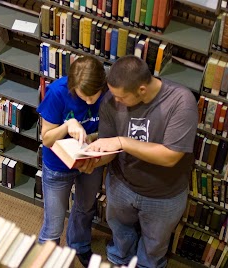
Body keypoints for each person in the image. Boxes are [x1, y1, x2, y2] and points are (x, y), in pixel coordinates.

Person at [81, 55, 198, 268]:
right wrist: (92, 161)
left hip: (164, 194)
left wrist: (123, 142)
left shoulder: (181, 102)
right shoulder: (110, 100)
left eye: (121, 97)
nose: (115, 101)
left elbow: (170, 156)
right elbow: (110, 149)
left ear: (141, 90)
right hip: (121, 185)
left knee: (154, 244)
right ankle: (120, 259)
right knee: (120, 232)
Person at [37, 56, 107, 267]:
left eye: (92, 96)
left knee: (85, 209)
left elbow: (109, 132)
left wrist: (91, 139)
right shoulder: (58, 92)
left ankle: (79, 245)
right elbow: (47, 138)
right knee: (54, 222)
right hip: (58, 166)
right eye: (82, 96)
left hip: (90, 161)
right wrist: (67, 126)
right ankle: (46, 259)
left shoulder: (109, 94)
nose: (88, 102)